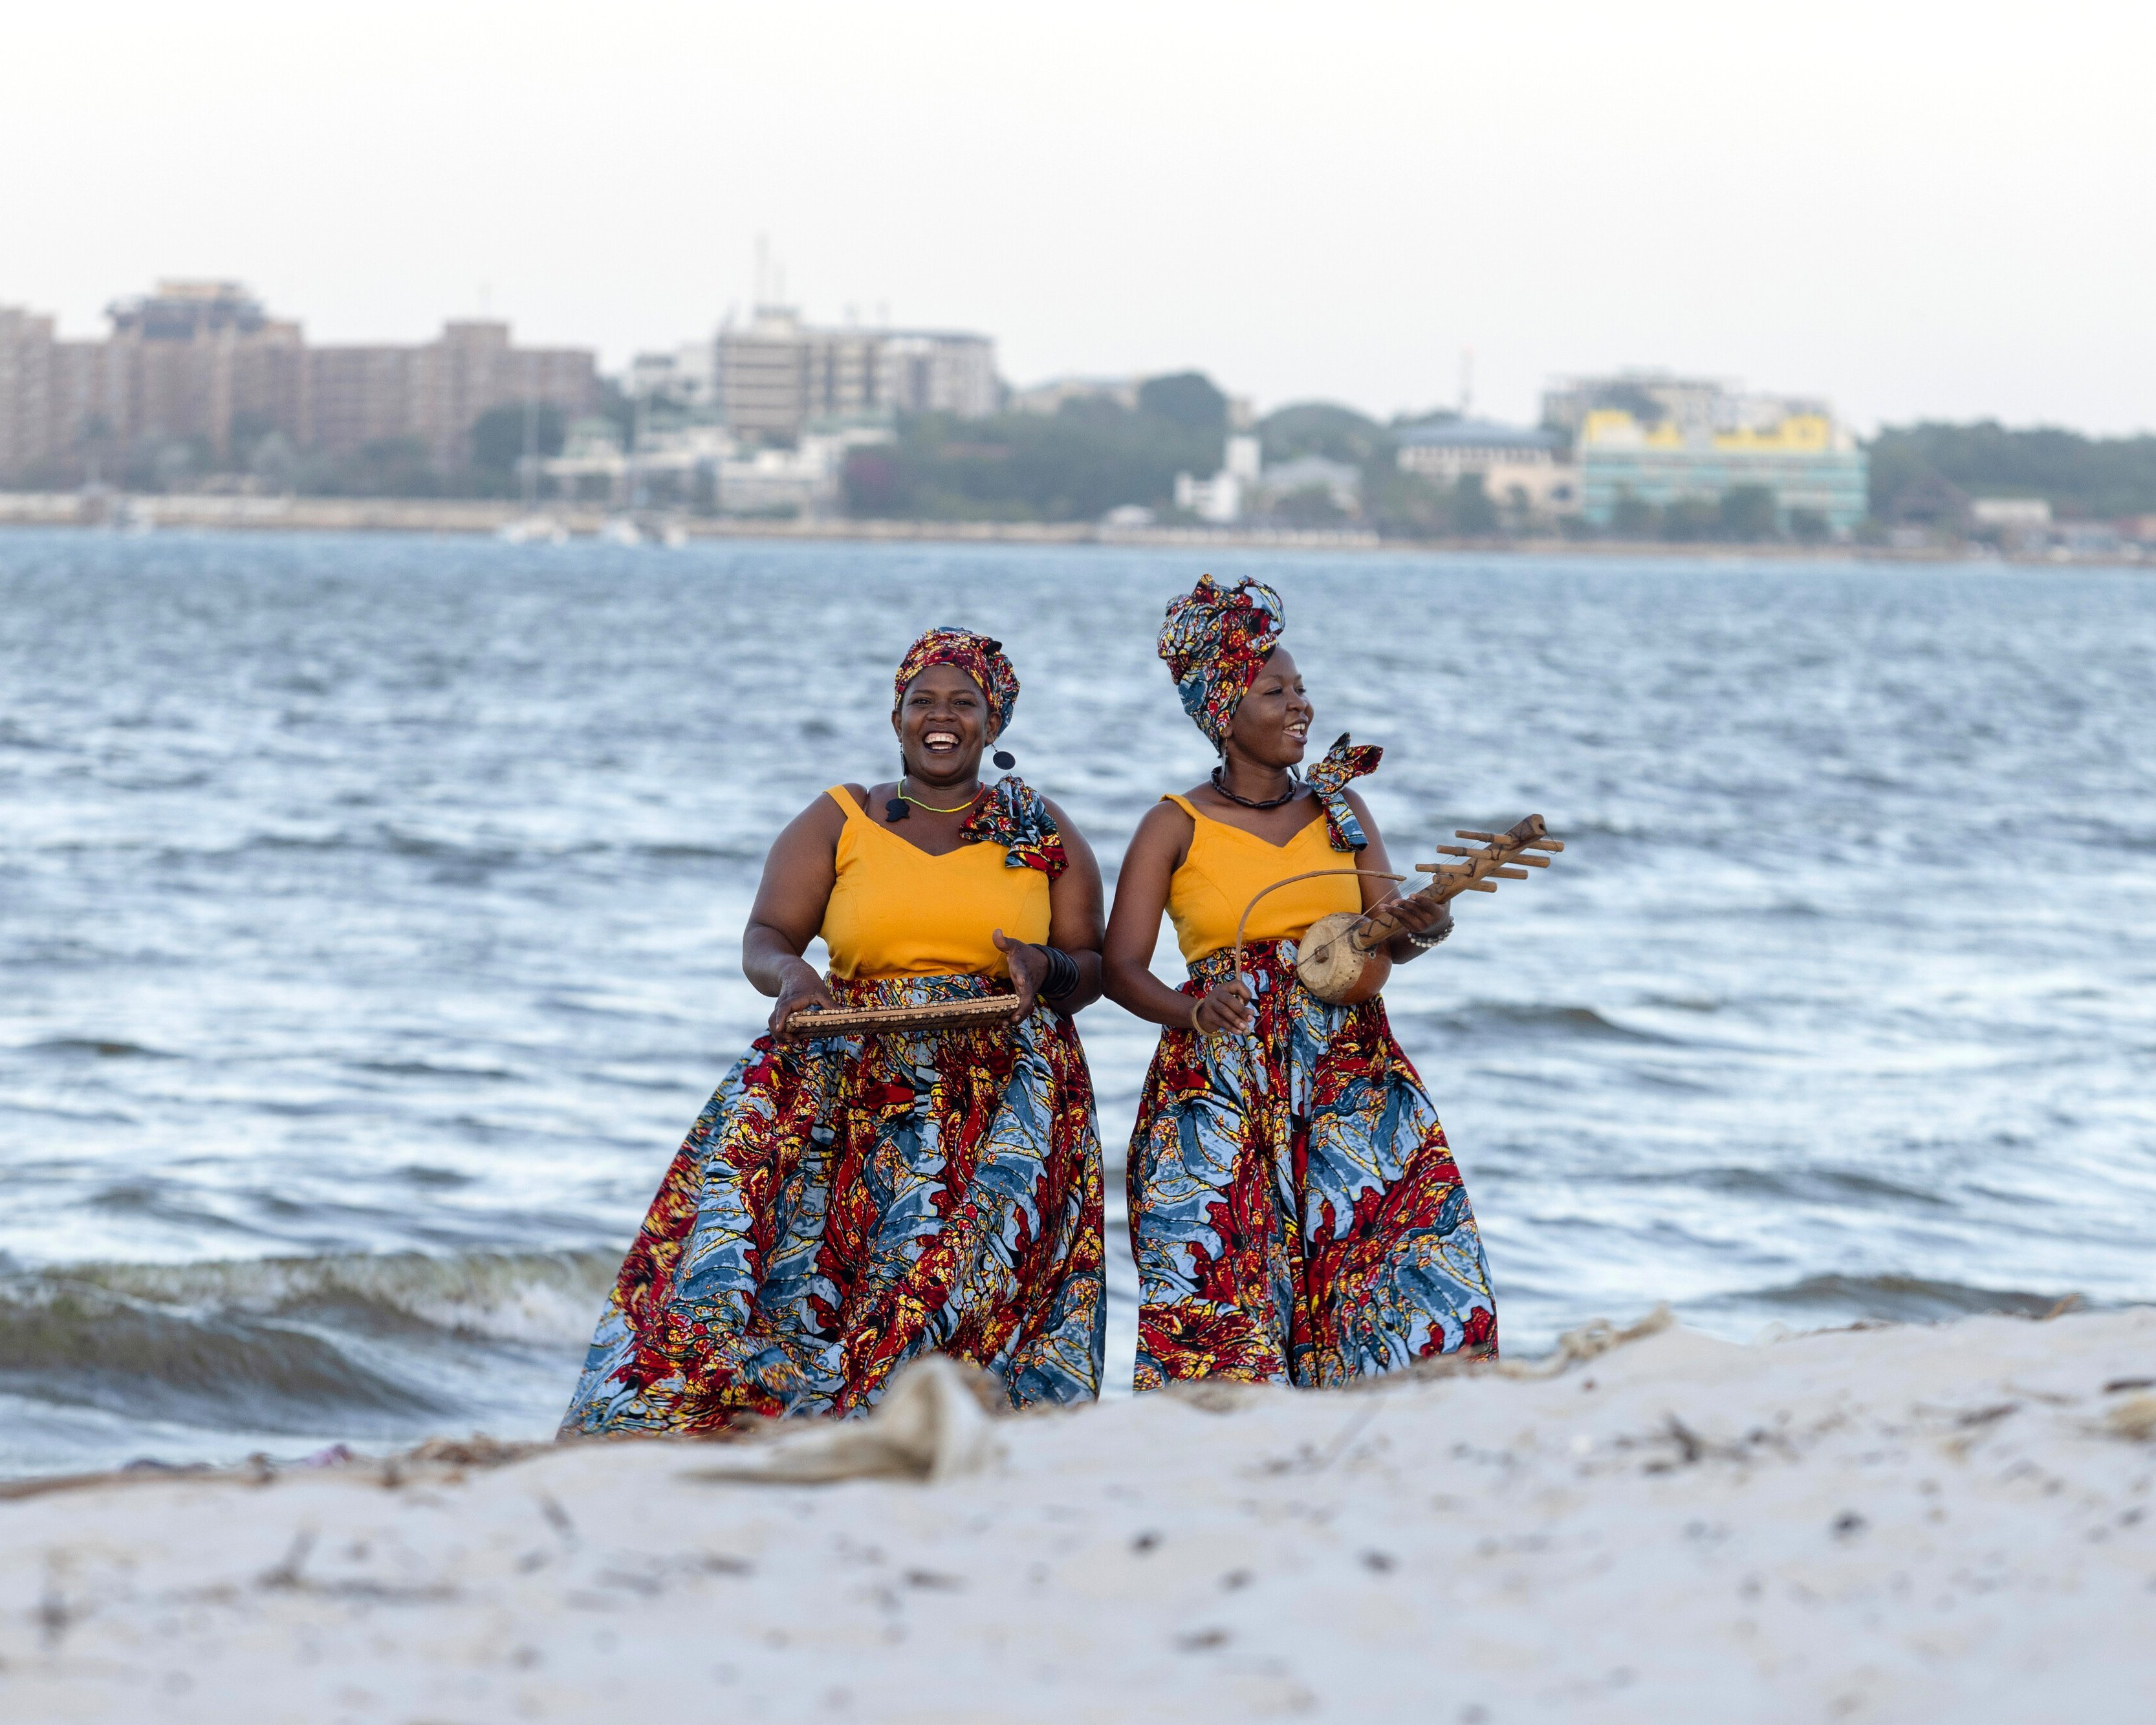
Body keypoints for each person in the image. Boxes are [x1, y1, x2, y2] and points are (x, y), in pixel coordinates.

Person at [561, 627, 1107, 1431]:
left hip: (1001, 1083)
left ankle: (915, 1418)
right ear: (897, 718)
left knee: (942, 1272)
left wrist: (1043, 968)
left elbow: (1091, 966)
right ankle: (744, 1412)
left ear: (995, 725)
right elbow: (767, 935)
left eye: (965, 703)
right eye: (922, 701)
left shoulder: (1041, 828)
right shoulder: (839, 816)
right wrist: (794, 977)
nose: (941, 718)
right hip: (850, 1064)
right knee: (747, 1224)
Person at [1102, 574, 1497, 1391]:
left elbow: (1382, 938)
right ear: (1223, 709)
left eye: (1302, 689)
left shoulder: (1340, 809)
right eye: (1274, 690)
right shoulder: (1173, 824)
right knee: (1223, 1287)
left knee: (1399, 1263)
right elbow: (1120, 968)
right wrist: (1195, 1009)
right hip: (1221, 1080)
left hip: (1351, 1079)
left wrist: (1426, 926)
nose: (1300, 706)